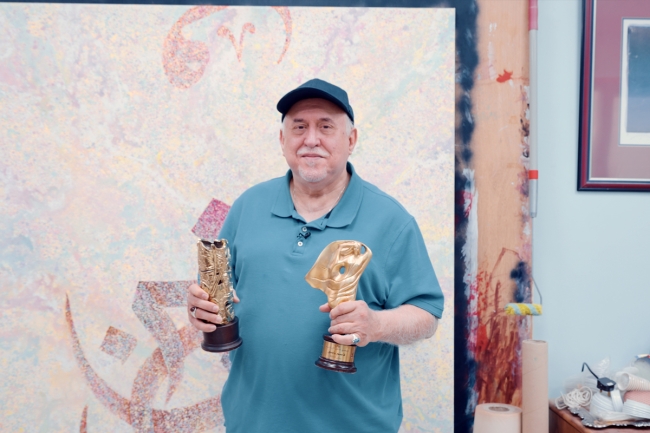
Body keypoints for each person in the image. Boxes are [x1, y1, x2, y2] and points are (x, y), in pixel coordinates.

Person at [186, 78, 444, 433]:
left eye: (326, 127)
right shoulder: (248, 206)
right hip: (251, 423)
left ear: (351, 140)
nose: (311, 139)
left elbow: (426, 316)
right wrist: (198, 309)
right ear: (282, 140)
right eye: (299, 127)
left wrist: (376, 325)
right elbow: (212, 297)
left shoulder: (391, 221)